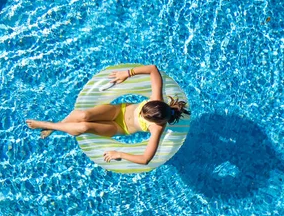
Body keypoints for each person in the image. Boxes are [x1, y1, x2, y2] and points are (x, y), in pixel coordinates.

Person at [26, 65, 190, 165]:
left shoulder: (157, 128)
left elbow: (145, 159)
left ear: (155, 121)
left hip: (118, 127)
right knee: (83, 115)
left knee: (84, 126)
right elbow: (153, 69)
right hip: (118, 110)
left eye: (143, 115)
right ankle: (55, 126)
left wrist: (119, 154)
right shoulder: (156, 98)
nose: (140, 111)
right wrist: (128, 73)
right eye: (143, 108)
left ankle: (48, 125)